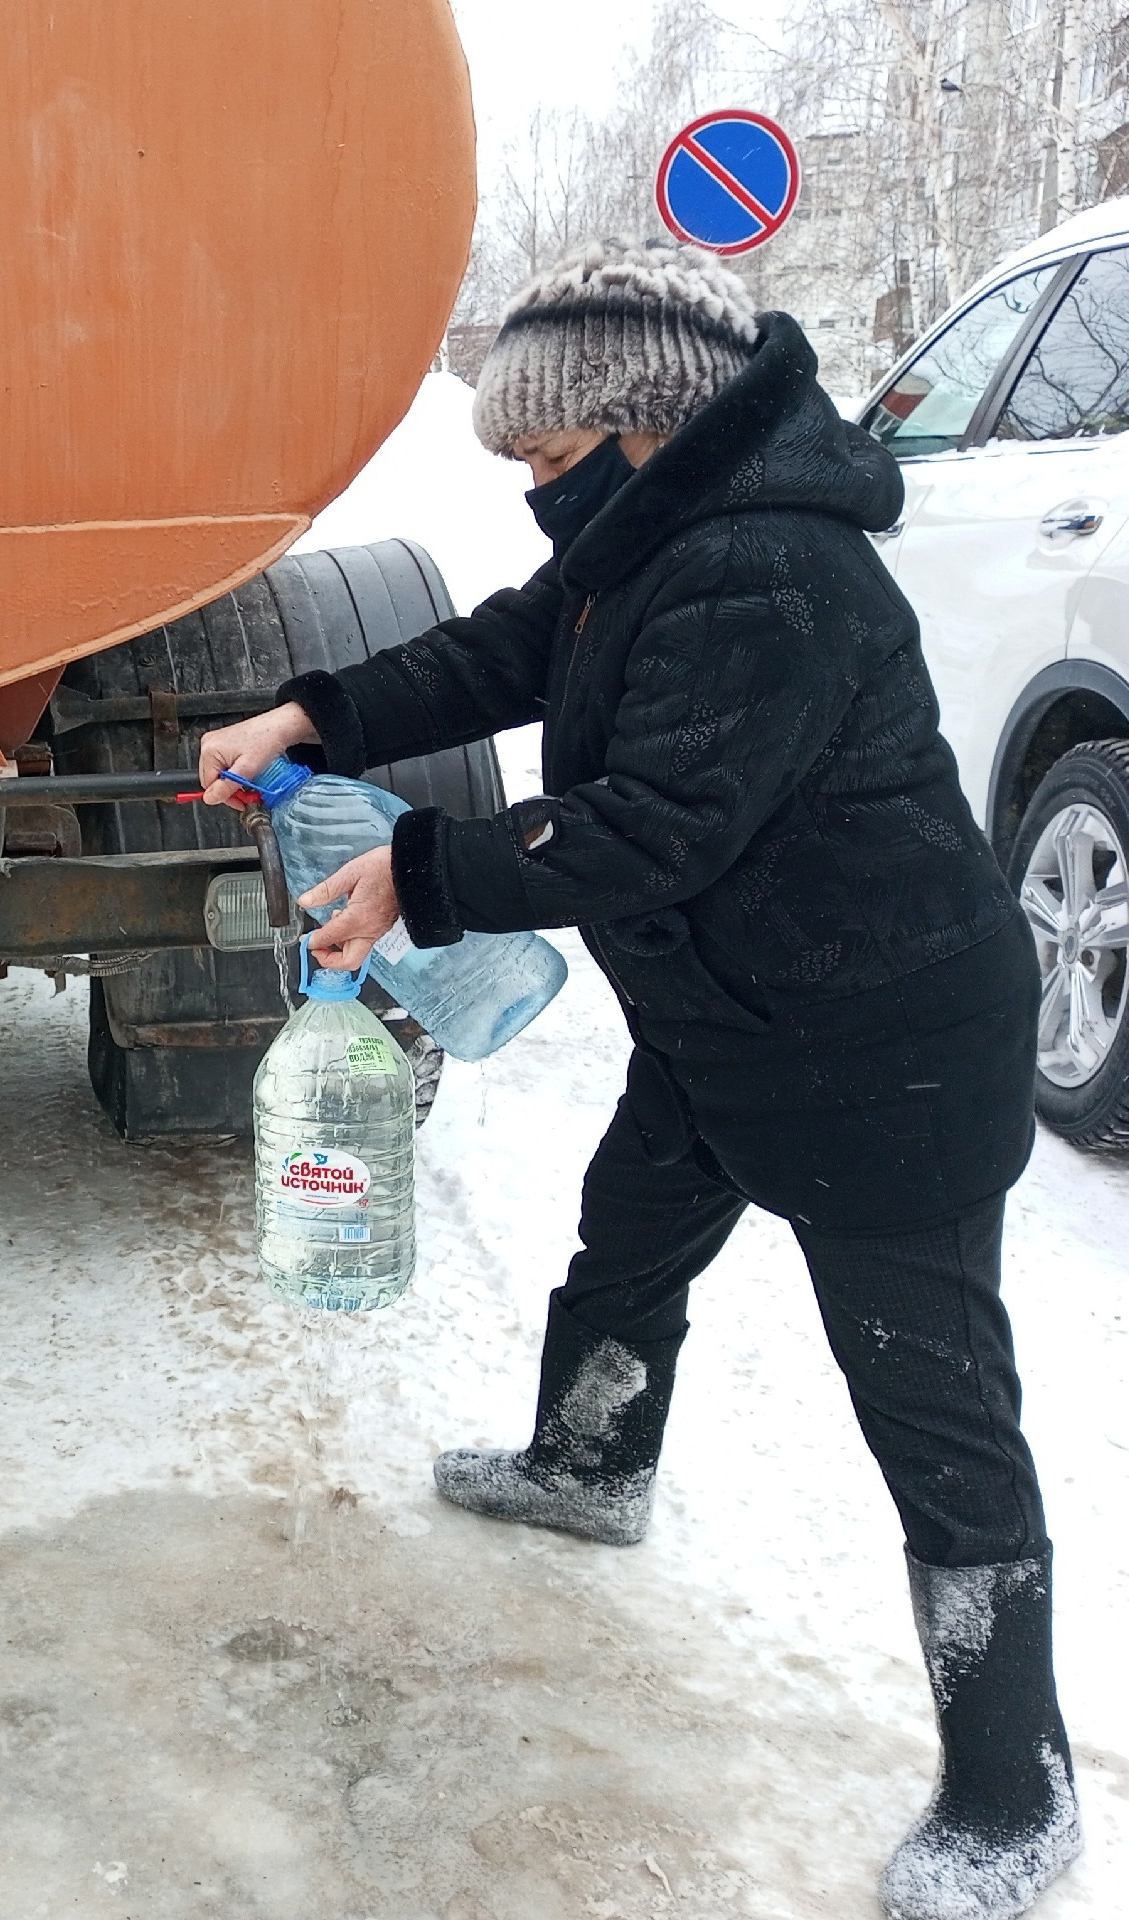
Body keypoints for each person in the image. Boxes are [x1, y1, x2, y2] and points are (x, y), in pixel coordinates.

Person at [200, 240, 1079, 1920]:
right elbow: (498, 654)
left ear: (637, 426)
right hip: (729, 1017)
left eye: (542, 460)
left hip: (881, 1052)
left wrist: (425, 872)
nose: (533, 497)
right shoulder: (643, 540)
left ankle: (1013, 1792)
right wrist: (310, 712)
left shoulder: (770, 573)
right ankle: (591, 1466)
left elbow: (661, 825)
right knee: (628, 1246)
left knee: (935, 1408)